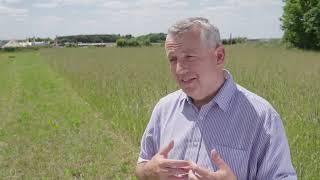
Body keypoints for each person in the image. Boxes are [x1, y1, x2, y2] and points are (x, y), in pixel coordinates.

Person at [135, 17, 297, 180]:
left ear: (219, 56)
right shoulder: (164, 108)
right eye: (173, 59)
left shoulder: (262, 118)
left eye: (189, 57)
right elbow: (142, 164)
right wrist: (149, 171)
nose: (179, 69)